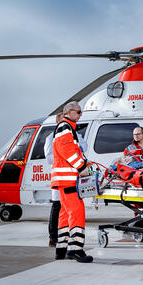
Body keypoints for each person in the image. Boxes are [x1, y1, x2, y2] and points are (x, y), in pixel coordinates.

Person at [51, 100, 93, 263]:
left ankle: (61, 248)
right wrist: (82, 165)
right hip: (68, 179)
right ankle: (76, 249)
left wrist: (83, 161)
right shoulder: (65, 127)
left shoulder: (67, 128)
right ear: (69, 112)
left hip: (64, 179)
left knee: (64, 213)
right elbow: (67, 151)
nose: (80, 114)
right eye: (79, 112)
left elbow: (68, 152)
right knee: (77, 211)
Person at [44, 110, 64, 247]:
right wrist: (64, 156)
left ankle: (65, 235)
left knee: (68, 209)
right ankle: (53, 237)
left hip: (71, 178)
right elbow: (49, 158)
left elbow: (83, 147)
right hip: (59, 177)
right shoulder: (50, 138)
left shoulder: (74, 135)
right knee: (56, 207)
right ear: (57, 122)